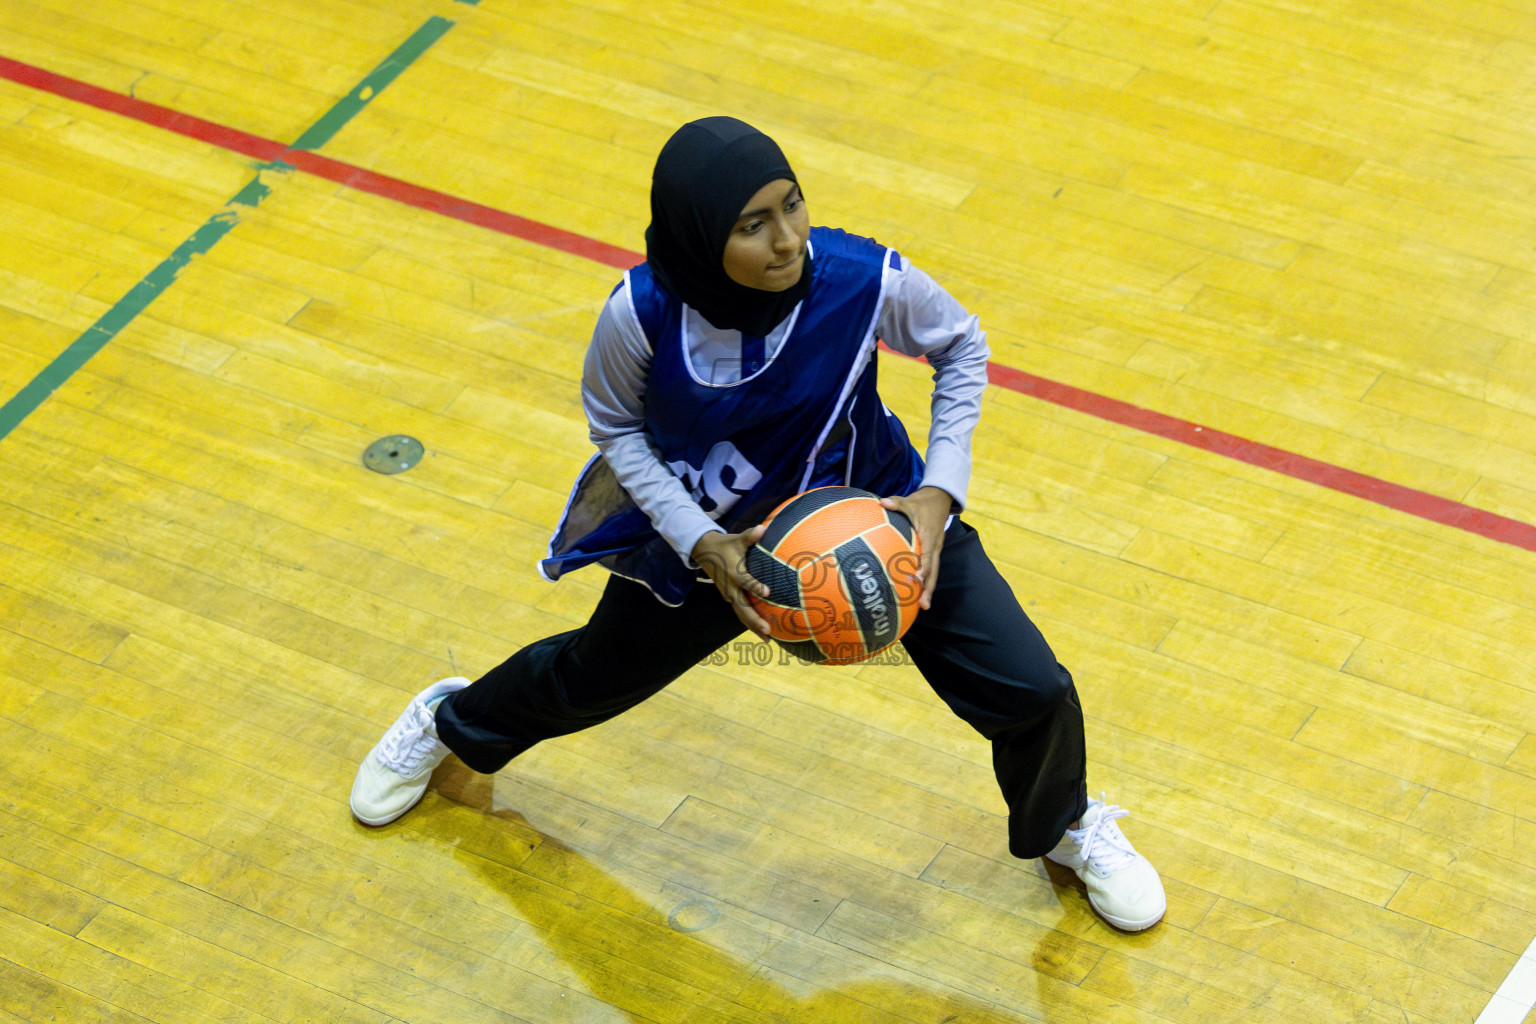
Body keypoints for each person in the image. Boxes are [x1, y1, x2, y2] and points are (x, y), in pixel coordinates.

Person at [350, 117, 1166, 931]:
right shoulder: (639, 315)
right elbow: (616, 430)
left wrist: (936, 496)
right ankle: (446, 718)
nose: (788, 242)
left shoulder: (860, 279)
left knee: (1033, 687)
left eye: (793, 206)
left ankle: (1065, 825)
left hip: (881, 519)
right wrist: (701, 542)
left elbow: (963, 346)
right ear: (700, 237)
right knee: (587, 681)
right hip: (721, 545)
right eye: (753, 225)